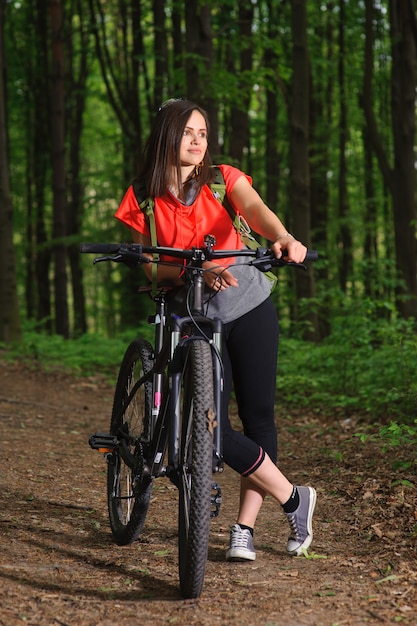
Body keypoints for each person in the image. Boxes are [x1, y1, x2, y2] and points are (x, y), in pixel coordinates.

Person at [115, 98, 316, 561]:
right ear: (167, 135)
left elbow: (258, 210)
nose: (197, 141)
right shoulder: (142, 195)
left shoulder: (223, 179)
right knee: (209, 426)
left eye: (203, 133)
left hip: (249, 303)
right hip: (194, 315)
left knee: (259, 415)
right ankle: (294, 497)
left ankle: (244, 527)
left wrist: (282, 236)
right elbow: (150, 267)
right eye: (188, 132)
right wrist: (192, 273)